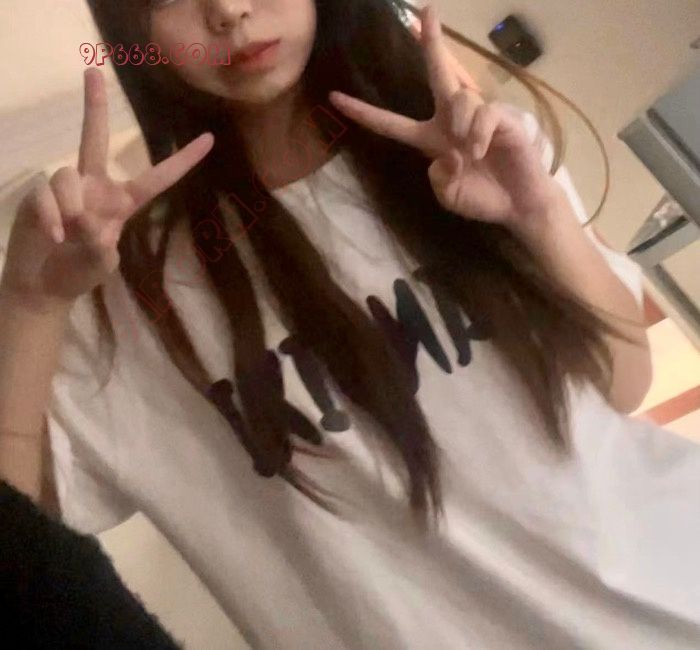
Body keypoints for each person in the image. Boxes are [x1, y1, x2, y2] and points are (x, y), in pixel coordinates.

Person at [1, 1, 699, 648]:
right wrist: (29, 304)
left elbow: (622, 382)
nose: (229, 9)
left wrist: (539, 215)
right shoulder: (127, 296)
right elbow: (19, 541)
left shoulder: (478, 152)